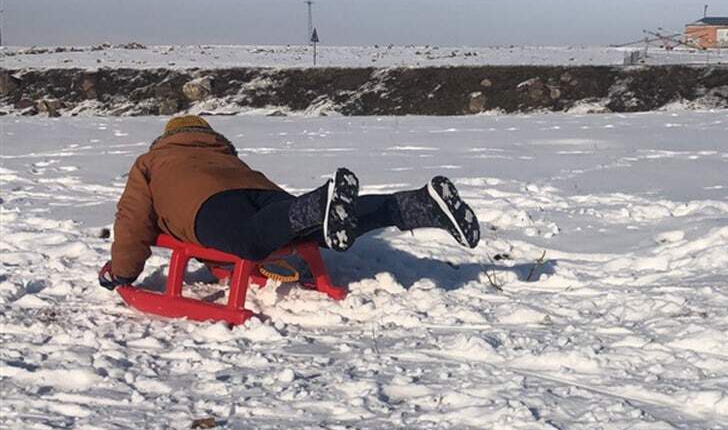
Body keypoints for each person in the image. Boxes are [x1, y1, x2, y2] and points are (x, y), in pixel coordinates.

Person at [99, 115, 480, 289]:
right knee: (314, 229)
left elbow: (132, 220)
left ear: (164, 139)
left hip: (205, 205)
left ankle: (317, 205)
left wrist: (122, 274)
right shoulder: (225, 155)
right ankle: (419, 204)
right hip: (263, 192)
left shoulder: (151, 161)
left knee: (250, 241)